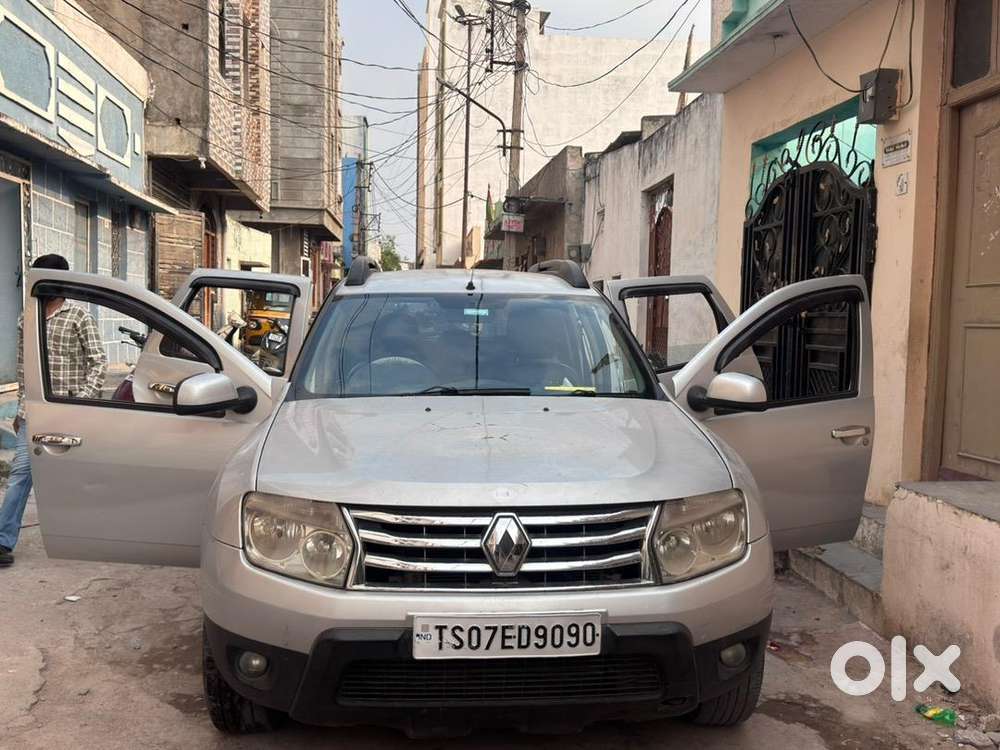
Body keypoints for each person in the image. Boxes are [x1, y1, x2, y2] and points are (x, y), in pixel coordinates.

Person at [0, 254, 107, 566]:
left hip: (70, 410)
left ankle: (96, 535)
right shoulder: (27, 318)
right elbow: (23, 367)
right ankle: (3, 540)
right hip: (36, 411)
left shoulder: (79, 317)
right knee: (21, 474)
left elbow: (98, 361)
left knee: (77, 475)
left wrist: (83, 401)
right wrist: (20, 411)